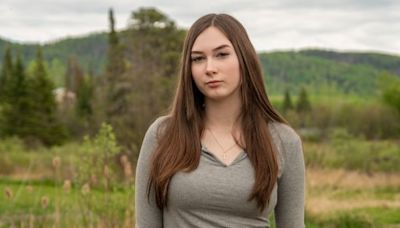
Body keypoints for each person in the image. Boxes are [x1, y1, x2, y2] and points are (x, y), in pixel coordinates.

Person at [135, 13, 305, 228]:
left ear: (244, 59)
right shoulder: (163, 135)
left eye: (222, 54)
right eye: (198, 58)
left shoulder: (283, 141)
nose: (209, 68)